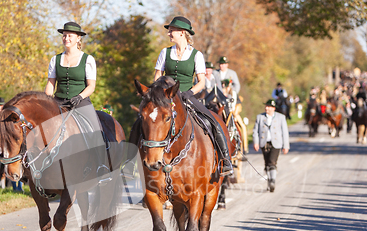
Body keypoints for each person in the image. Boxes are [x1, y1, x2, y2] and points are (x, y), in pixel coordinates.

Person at [123, 16, 233, 178]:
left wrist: (188, 93)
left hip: (188, 97)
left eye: (171, 31)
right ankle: (129, 164)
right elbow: (157, 76)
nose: (169, 33)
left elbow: (202, 82)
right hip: (165, 99)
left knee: (214, 122)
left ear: (182, 33)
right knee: (140, 122)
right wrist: (157, 95)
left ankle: (225, 160)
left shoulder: (196, 55)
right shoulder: (165, 52)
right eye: (169, 31)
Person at [44, 21, 111, 183]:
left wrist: (79, 97)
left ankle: (102, 166)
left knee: (95, 128)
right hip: (58, 102)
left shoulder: (88, 59)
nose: (66, 38)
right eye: (64, 35)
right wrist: (47, 100)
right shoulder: (55, 59)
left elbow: (91, 86)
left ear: (78, 39)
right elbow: (50, 84)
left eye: (69, 36)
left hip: (80, 101)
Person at [252, 99, 290, 192]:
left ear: (273, 108)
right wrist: (256, 142)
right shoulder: (260, 117)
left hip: (276, 144)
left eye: (268, 106)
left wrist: (286, 146)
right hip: (264, 143)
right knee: (267, 163)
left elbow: (285, 132)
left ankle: (272, 181)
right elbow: (255, 131)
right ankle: (269, 180)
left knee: (272, 162)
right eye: (266, 106)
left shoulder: (280, 117)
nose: (266, 108)